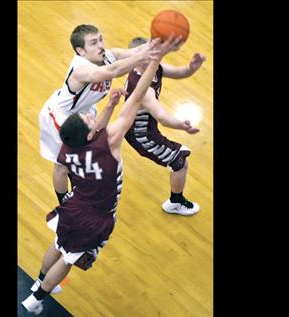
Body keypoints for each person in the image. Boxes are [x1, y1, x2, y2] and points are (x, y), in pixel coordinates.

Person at [22, 35, 183, 315]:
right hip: (95, 216)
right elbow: (135, 100)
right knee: (69, 258)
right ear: (89, 133)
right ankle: (37, 297)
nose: (90, 116)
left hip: (73, 206)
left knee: (59, 244)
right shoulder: (109, 142)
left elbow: (66, 163)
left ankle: (39, 280)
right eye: (87, 118)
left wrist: (108, 106)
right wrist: (154, 60)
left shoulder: (68, 149)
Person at [39, 24, 161, 206]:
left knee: (86, 156)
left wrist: (157, 43)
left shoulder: (106, 56)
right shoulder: (81, 70)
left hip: (85, 113)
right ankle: (64, 204)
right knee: (62, 165)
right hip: (61, 118)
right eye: (94, 43)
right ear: (81, 51)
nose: (101, 46)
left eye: (101, 39)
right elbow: (112, 71)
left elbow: (132, 52)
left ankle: (83, 189)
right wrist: (141, 56)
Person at [123, 37, 206, 216]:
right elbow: (162, 117)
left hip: (147, 128)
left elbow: (177, 72)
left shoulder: (154, 67)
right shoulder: (142, 88)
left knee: (177, 158)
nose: (153, 57)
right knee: (180, 162)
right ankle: (175, 203)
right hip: (141, 135)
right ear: (136, 58)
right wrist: (182, 126)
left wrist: (191, 67)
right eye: (147, 54)